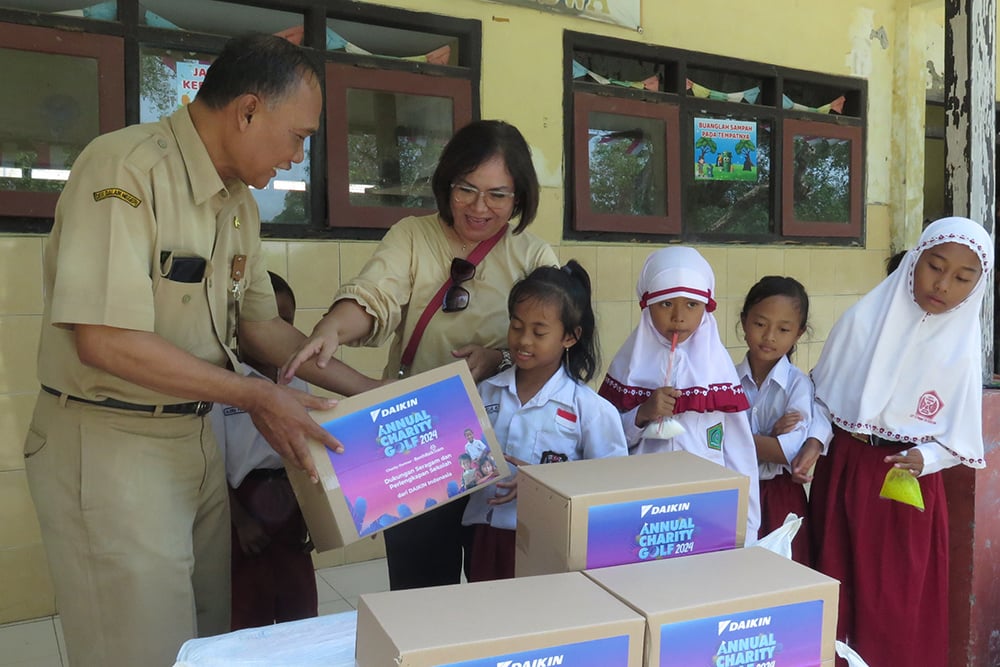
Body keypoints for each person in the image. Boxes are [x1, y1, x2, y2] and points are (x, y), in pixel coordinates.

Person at [22, 34, 378, 667]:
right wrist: (257, 394)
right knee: (135, 647)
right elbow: (105, 340)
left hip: (195, 439)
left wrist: (376, 398)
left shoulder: (237, 202)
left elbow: (264, 329)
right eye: (298, 136)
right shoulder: (124, 170)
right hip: (112, 442)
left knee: (207, 643)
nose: (299, 157)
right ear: (246, 111)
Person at [281, 120, 559, 590]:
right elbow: (373, 295)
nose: (479, 207)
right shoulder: (413, 236)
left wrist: (498, 358)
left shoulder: (533, 257)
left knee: (505, 587)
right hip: (419, 439)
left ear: (520, 198)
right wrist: (333, 327)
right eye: (466, 189)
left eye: (498, 195)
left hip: (504, 438)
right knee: (420, 587)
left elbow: (555, 344)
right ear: (446, 183)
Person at [807, 216, 993, 667]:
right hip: (844, 469)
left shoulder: (962, 351)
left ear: (977, 287)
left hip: (902, 482)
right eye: (935, 266)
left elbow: (961, 439)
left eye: (962, 277)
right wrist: (814, 440)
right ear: (914, 260)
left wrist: (925, 456)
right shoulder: (861, 321)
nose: (943, 284)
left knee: (896, 604)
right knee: (834, 584)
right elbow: (820, 395)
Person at [461, 261, 628, 581]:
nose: (524, 341)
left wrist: (544, 486)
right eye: (516, 326)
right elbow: (454, 463)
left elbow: (612, 486)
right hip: (483, 535)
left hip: (547, 543)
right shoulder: (485, 393)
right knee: (485, 622)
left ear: (570, 336)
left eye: (539, 332)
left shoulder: (590, 410)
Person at [598, 246, 760, 539]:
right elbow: (604, 440)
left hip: (708, 502)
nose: (678, 317)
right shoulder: (628, 363)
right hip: (644, 502)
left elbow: (738, 449)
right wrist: (642, 413)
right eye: (666, 304)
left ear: (706, 307)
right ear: (647, 305)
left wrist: (748, 526)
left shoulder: (717, 366)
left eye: (691, 305)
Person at [210, 272, 318, 630]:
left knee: (299, 606)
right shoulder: (224, 384)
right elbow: (212, 466)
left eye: (286, 321)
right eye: (266, 321)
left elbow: (312, 452)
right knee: (247, 608)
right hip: (243, 505)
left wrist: (314, 516)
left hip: (291, 497)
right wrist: (239, 521)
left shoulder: (297, 380)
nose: (278, 330)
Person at [735, 276, 816, 563]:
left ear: (799, 333)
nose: (769, 336)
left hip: (780, 495)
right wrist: (769, 436)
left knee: (783, 575)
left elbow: (788, 452)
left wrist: (736, 437)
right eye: (760, 324)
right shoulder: (724, 379)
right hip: (734, 495)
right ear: (744, 322)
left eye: (783, 329)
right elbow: (710, 442)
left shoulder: (798, 385)